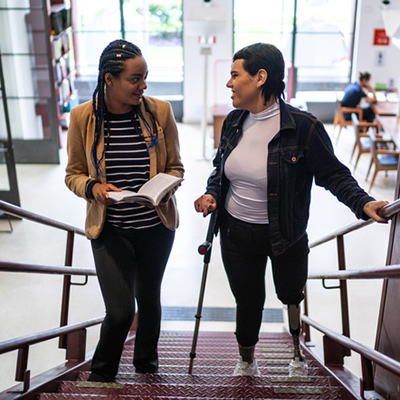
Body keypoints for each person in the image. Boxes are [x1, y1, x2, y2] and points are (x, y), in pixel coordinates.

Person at [194, 43, 388, 377]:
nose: (229, 83)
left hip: (286, 234)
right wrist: (211, 194)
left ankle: (297, 352)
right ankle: (246, 360)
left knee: (290, 295)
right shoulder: (233, 122)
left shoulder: (303, 127)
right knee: (248, 301)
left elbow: (334, 174)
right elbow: (220, 170)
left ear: (260, 78)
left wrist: (363, 202)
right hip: (236, 232)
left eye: (234, 75)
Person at [65, 39, 184, 382]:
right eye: (135, 79)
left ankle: (147, 368)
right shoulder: (82, 117)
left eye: (145, 77)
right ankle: (102, 377)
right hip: (110, 229)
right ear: (109, 79)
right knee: (119, 312)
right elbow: (73, 173)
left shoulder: (159, 112)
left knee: (149, 300)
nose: (143, 86)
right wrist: (93, 188)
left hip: (155, 226)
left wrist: (162, 187)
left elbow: (176, 167)